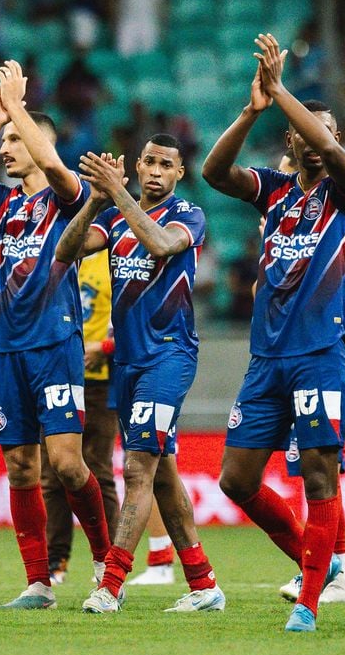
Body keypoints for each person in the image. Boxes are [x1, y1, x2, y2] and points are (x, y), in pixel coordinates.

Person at [202, 34, 345, 632]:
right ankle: (312, 562)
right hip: (265, 360)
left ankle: (309, 603)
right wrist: (253, 110)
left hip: (321, 356)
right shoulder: (275, 193)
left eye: (325, 130)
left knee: (320, 477)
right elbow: (213, 171)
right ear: (288, 140)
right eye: (302, 128)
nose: (317, 137)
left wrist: (283, 91)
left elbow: (327, 139)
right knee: (236, 480)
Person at [0, 61, 111, 609]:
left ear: (42, 141)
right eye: (6, 141)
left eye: (17, 140)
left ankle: (106, 565)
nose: (6, 149)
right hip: (5, 348)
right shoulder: (6, 204)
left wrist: (18, 109)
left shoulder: (69, 198)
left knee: (66, 463)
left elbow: (59, 173)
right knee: (20, 464)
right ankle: (38, 582)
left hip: (54, 344)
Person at [58, 135, 223, 613]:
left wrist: (118, 192)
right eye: (148, 161)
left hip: (168, 357)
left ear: (178, 174)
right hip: (128, 362)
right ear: (137, 164)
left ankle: (109, 585)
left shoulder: (188, 215)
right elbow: (67, 251)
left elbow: (159, 242)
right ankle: (204, 584)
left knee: (136, 468)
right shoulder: (113, 216)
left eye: (165, 164)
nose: (155, 170)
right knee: (163, 474)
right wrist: (95, 199)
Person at [279, 211, 345, 606]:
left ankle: (334, 575)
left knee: (325, 464)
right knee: (310, 469)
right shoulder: (284, 230)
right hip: (299, 361)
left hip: (344, 362)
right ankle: (337, 574)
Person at [44, 246, 119, 585]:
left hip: (100, 378)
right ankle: (55, 561)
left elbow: (132, 314)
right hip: (58, 372)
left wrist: (105, 348)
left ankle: (112, 560)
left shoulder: (114, 254)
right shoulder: (56, 251)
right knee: (52, 472)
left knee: (98, 468)